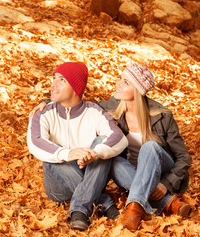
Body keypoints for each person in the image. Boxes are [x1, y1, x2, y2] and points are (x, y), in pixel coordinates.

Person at [27, 62, 128, 231]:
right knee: (52, 153)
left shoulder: (93, 111)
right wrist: (67, 153)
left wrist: (95, 154)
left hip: (89, 175)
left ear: (75, 87)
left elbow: (118, 138)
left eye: (61, 80)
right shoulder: (44, 113)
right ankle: (102, 201)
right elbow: (35, 141)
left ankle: (80, 209)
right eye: (53, 78)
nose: (53, 84)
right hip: (59, 189)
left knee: (102, 144)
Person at [97, 63, 192, 231]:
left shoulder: (162, 116)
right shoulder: (113, 106)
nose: (118, 83)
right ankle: (169, 203)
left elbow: (183, 158)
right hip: (131, 173)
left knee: (149, 147)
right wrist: (46, 103)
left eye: (126, 82)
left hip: (160, 170)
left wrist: (167, 183)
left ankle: (134, 209)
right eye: (120, 78)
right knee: (113, 159)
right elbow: (77, 105)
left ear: (139, 91)